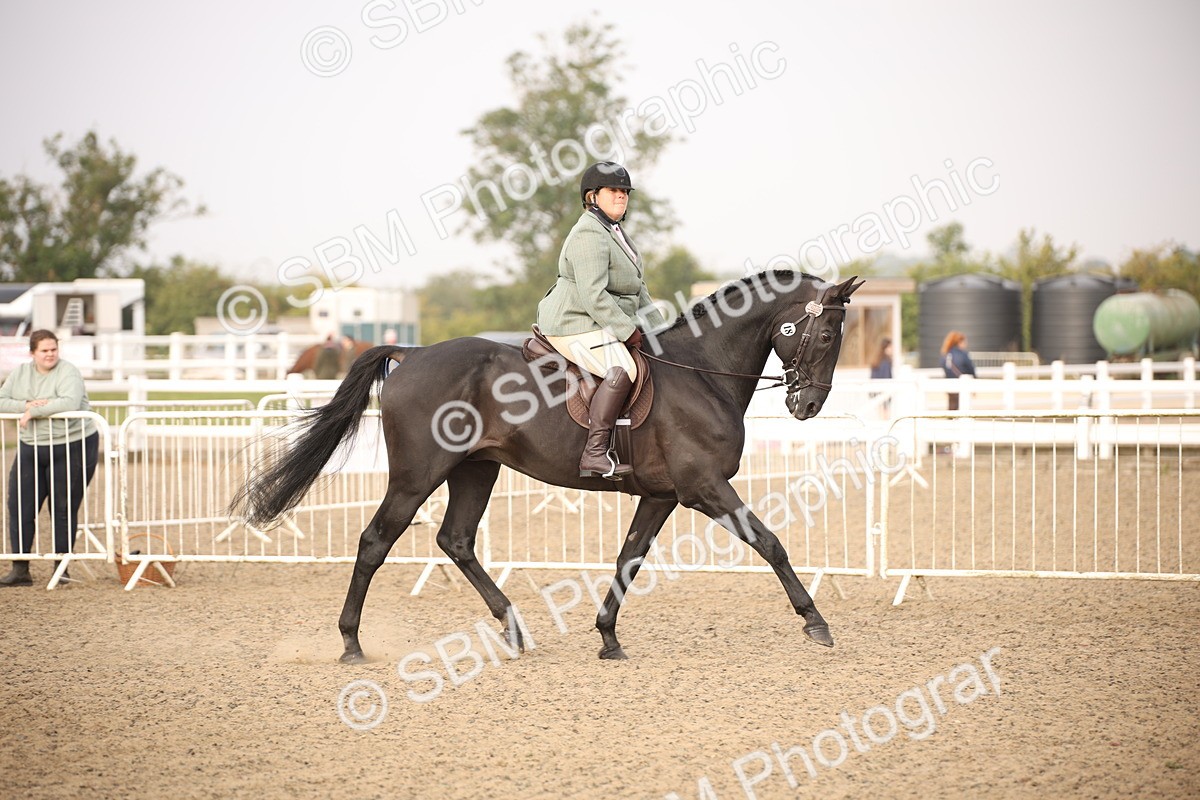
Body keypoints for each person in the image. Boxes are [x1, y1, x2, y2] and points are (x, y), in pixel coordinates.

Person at [536, 161, 667, 479]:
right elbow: (594, 296)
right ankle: (594, 454)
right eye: (613, 190)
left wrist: (663, 332)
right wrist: (627, 331)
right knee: (623, 369)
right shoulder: (588, 234)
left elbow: (638, 290)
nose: (621, 196)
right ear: (592, 196)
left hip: (595, 321)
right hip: (572, 322)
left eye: (625, 191)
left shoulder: (615, 232)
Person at [0, 330, 100, 586]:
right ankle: (20, 569)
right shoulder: (20, 373)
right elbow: (2, 401)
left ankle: (61, 568)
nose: (50, 354)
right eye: (44, 350)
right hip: (32, 445)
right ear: (32, 353)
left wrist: (35, 412)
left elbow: (70, 402)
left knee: (63, 507)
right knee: (19, 506)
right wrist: (28, 405)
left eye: (53, 349)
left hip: (72, 444)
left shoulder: (68, 372)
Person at [941, 330, 976, 411]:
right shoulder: (962, 354)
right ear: (959, 342)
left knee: (952, 408)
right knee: (963, 408)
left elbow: (944, 366)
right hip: (962, 385)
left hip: (950, 386)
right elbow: (971, 369)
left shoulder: (946, 354)